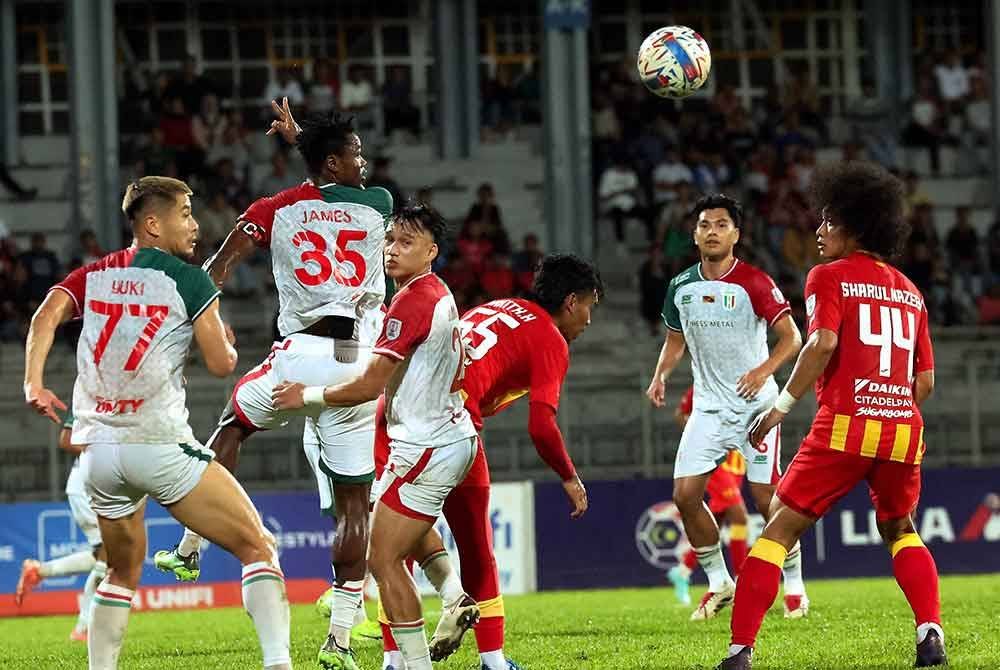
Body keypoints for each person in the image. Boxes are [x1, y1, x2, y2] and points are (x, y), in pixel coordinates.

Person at [154, 102, 390, 669]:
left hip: (300, 355)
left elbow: (218, 266)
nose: (364, 162)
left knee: (230, 427)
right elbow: (335, 184)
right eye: (355, 154)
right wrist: (303, 138)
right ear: (335, 162)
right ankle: (338, 641)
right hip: (358, 363)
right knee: (356, 503)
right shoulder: (378, 205)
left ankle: (190, 548)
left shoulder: (273, 208)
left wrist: (192, 321)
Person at [23, 176, 290, 669]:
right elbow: (220, 363)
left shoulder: (93, 274)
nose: (194, 225)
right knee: (258, 545)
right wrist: (226, 340)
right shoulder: (189, 280)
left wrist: (32, 383)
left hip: (99, 456)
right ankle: (279, 664)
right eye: (185, 214)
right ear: (152, 224)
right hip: (159, 446)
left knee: (120, 572)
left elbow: (45, 314)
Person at [715, 161, 945, 670]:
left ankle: (739, 652)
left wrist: (780, 407)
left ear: (857, 227)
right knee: (901, 528)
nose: (818, 233)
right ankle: (930, 635)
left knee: (778, 528)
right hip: (904, 428)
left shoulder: (829, 276)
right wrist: (890, 406)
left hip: (845, 425)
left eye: (829, 223)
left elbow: (820, 342)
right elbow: (925, 381)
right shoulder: (910, 290)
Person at [369, 253, 602, 670]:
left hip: (398, 416)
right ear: (571, 301)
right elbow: (541, 427)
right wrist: (569, 476)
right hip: (441, 427)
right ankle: (488, 661)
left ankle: (397, 658)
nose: (588, 319)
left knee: (398, 545)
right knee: (469, 545)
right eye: (589, 306)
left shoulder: (496, 306)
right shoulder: (550, 338)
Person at [272, 205, 477, 670]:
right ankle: (453, 595)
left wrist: (307, 394)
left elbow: (368, 384)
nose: (392, 250)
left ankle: (411, 660)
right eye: (389, 241)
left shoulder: (409, 301)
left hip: (426, 443)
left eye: (406, 242)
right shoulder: (428, 293)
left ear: (431, 252)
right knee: (395, 529)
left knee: (382, 558)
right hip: (439, 435)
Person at [645, 194, 808, 621]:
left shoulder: (754, 281)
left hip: (757, 407)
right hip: (709, 408)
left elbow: (793, 337)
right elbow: (675, 340)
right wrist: (661, 373)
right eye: (704, 225)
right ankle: (719, 583)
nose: (712, 231)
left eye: (721, 224)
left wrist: (764, 370)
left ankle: (794, 587)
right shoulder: (680, 286)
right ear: (694, 235)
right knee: (685, 495)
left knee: (766, 499)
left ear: (736, 234)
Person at [16, 409, 108, 643]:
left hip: (98, 488)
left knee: (105, 556)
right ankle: (84, 628)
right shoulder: (89, 394)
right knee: (111, 557)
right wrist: (108, 456)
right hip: (86, 488)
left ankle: (40, 571)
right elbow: (66, 440)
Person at [667, 387, 750, 607]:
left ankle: (683, 570)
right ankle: (742, 583)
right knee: (740, 517)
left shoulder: (747, 378)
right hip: (715, 456)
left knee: (716, 521)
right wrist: (703, 439)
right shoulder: (704, 382)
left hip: (736, 455)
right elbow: (680, 414)